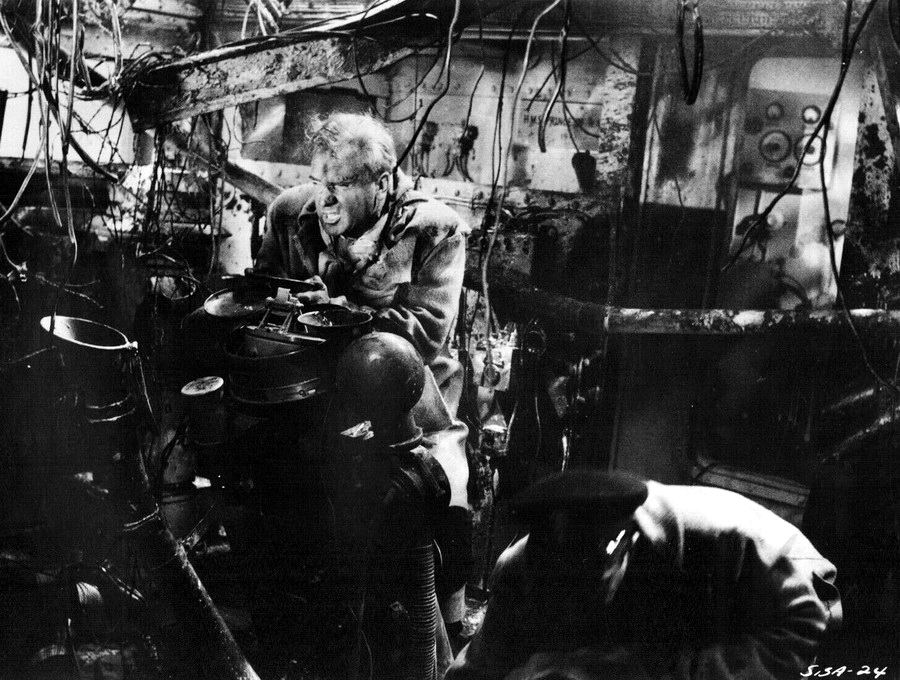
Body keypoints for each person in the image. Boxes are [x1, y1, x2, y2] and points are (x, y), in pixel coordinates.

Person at [254, 112, 472, 627]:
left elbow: (423, 333)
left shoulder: (435, 230)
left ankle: (445, 621)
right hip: (311, 387)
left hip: (411, 395)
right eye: (319, 181)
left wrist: (337, 311)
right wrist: (281, 303)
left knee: (437, 492)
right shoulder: (290, 213)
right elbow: (261, 291)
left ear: (383, 181)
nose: (323, 200)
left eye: (341, 185)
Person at [447, 469, 842, 680]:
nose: (571, 605)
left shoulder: (730, 538)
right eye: (559, 592)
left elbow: (809, 624)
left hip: (784, 613)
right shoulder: (520, 569)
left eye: (586, 589)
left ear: (624, 548)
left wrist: (668, 672)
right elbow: (484, 664)